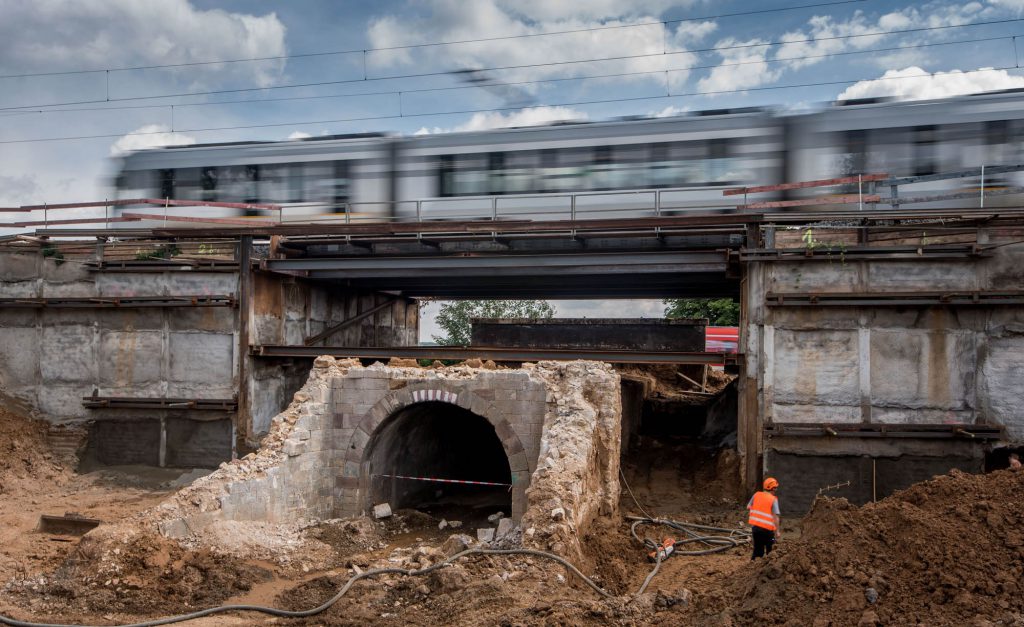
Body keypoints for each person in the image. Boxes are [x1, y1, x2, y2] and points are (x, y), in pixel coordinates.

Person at [747, 477, 781, 560]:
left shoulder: (756, 495)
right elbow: (776, 517)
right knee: (771, 552)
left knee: (758, 551)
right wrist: (777, 531)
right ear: (772, 488)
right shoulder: (773, 499)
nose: (776, 490)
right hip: (767, 531)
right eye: (775, 488)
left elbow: (748, 507)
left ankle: (753, 566)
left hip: (755, 529)